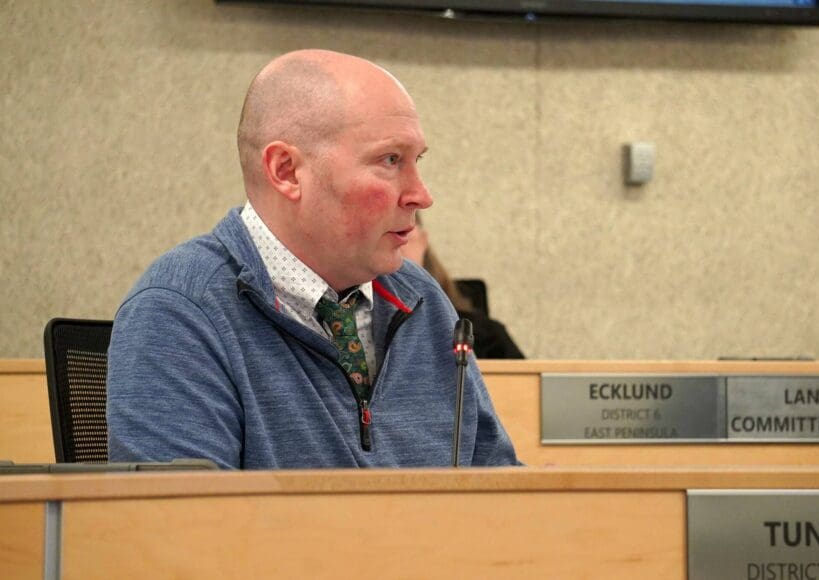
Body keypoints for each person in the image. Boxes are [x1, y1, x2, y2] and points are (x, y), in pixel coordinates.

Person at [106, 49, 519, 470]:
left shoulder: (421, 298)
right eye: (390, 160)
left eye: (418, 161)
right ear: (286, 171)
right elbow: (182, 528)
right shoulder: (180, 310)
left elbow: (499, 490)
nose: (421, 195)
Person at [401, 217, 525, 359]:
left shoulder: (486, 336)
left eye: (403, 234)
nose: (395, 249)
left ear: (423, 241)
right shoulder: (371, 332)